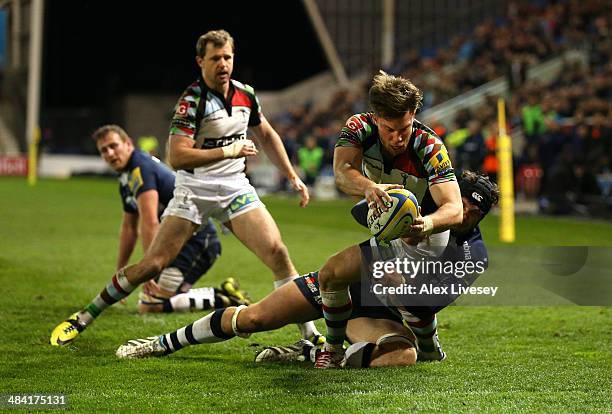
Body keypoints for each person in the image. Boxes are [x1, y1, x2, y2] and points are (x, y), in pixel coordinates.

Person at [50, 29, 322, 346]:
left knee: (278, 253)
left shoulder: (245, 94)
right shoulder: (191, 101)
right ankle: (86, 315)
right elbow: (176, 156)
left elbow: (267, 133)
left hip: (235, 189)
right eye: (215, 58)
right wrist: (227, 151)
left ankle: (310, 337)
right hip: (195, 191)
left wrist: (291, 175)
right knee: (153, 265)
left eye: (227, 57)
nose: (223, 64)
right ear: (200, 61)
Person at [114, 172, 498, 369]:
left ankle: (311, 354)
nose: (466, 213)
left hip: (384, 312)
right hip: (341, 286)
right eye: (462, 202)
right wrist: (384, 212)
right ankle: (160, 344)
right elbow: (360, 215)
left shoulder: (472, 254)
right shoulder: (417, 202)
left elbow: (428, 308)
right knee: (254, 318)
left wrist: (403, 287)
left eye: (476, 212)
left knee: (401, 356)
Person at [317, 71, 463, 367]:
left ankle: (426, 342)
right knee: (329, 275)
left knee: (395, 288)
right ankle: (331, 350)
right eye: (389, 129)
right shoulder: (358, 127)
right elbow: (342, 172)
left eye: (405, 128)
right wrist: (368, 187)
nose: (397, 138)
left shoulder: (429, 146)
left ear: (413, 116)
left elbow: (454, 208)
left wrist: (428, 223)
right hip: (388, 223)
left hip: (425, 234)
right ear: (375, 117)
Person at [92, 124, 246, 314]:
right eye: (103, 150)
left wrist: (148, 270)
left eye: (113, 146)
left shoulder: (140, 167)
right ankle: (223, 293)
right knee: (153, 301)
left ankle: (226, 298)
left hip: (197, 242)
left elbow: (150, 222)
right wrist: (120, 276)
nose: (109, 153)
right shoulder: (126, 178)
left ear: (128, 144)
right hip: (174, 244)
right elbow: (129, 229)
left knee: (150, 306)